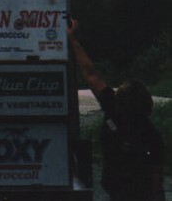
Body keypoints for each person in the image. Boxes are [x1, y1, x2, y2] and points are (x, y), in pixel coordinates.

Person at [68, 18, 165, 201]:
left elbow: (90, 74)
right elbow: (156, 182)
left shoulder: (114, 109)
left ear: (121, 100)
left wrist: (73, 40)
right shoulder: (152, 135)